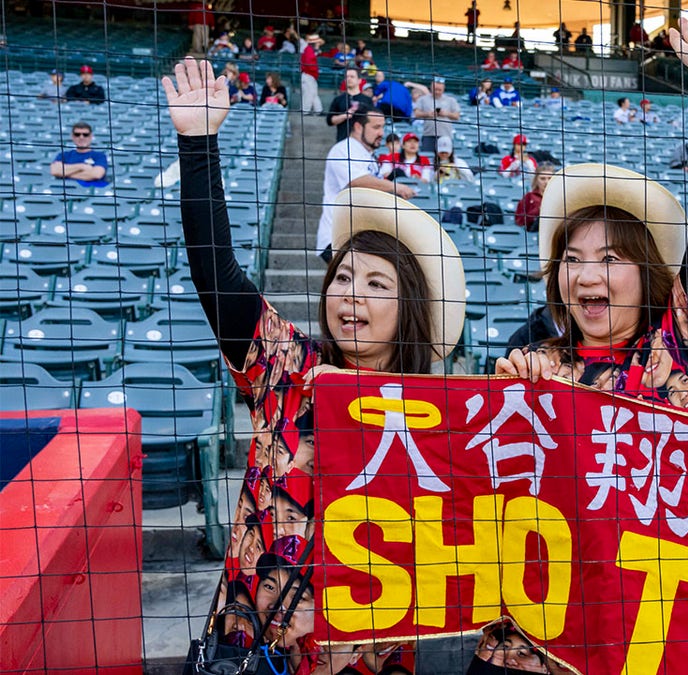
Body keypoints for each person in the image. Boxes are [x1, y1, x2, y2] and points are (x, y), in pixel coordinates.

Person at [161, 57, 465, 665]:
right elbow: (216, 274)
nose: (351, 293)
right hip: (251, 648)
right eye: (344, 276)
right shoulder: (285, 365)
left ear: (409, 311)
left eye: (378, 285)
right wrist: (199, 144)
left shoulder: (437, 413)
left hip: (369, 651)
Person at [496, 14, 688, 415]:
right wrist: (510, 389)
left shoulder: (677, 339)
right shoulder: (536, 361)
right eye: (571, 259)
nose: (586, 275)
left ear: (648, 272)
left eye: (610, 259)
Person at [316, 106, 418, 260]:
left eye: (382, 127)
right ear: (358, 127)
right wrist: (396, 187)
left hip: (359, 237)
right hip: (337, 238)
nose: (381, 133)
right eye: (376, 127)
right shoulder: (344, 149)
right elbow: (357, 181)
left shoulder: (368, 155)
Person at [50, 121, 108, 187]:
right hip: (67, 190)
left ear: (91, 136)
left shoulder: (99, 156)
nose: (81, 137)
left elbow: (96, 174)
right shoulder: (64, 155)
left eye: (85, 135)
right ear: (72, 136)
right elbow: (54, 171)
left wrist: (64, 174)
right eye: (77, 134)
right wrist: (82, 166)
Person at [412, 76, 462, 154]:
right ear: (431, 88)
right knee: (428, 157)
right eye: (435, 89)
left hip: (446, 135)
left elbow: (457, 116)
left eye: (440, 90)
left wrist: (446, 113)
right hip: (429, 135)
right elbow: (416, 114)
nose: (437, 92)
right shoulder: (423, 99)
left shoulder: (451, 100)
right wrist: (428, 114)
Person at [326, 68, 373, 142]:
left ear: (359, 80)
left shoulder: (367, 100)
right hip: (342, 141)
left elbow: (372, 120)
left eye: (352, 77)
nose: (349, 79)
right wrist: (345, 115)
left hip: (363, 143)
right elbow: (330, 121)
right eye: (347, 77)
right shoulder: (338, 99)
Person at [515, 163, 555, 231]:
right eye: (542, 179)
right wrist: (538, 210)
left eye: (550, 178)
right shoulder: (528, 197)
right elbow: (519, 221)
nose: (546, 182)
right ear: (536, 180)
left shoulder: (561, 198)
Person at [300, 34, 323, 114]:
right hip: (308, 75)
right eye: (317, 43)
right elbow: (309, 64)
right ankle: (305, 111)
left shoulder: (310, 50)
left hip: (310, 75)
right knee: (308, 94)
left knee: (313, 93)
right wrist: (315, 71)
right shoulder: (308, 50)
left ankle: (318, 110)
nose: (319, 44)